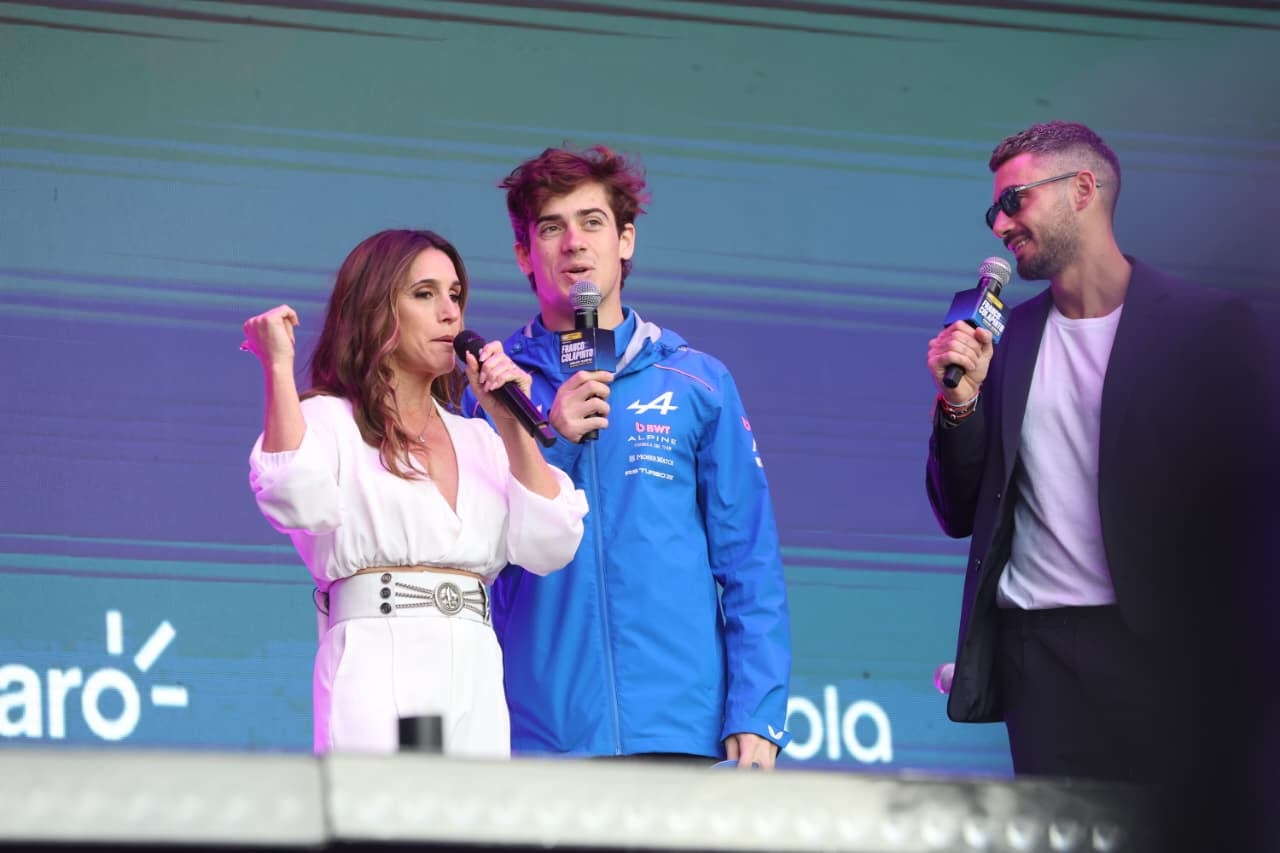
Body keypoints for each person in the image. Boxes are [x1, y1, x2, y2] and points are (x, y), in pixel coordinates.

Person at [925, 121, 1276, 843]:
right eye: (993, 209)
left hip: (1165, 650)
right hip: (1041, 656)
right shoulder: (1008, 340)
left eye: (1015, 200)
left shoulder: (1209, 327)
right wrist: (959, 402)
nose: (1000, 223)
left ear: (1083, 189)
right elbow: (960, 509)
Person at [461, 144, 792, 767]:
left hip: (677, 727)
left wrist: (756, 709)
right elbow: (474, 554)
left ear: (626, 241)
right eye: (550, 227)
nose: (573, 244)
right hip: (539, 731)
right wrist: (545, 436)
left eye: (592, 222)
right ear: (523, 255)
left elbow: (749, 560)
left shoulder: (697, 381)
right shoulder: (487, 389)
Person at [242, 228, 587, 758]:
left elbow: (551, 544)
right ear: (377, 310)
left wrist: (512, 423)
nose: (450, 312)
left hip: (474, 670)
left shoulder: (478, 437)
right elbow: (295, 497)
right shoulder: (329, 420)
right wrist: (277, 369)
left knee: (476, 832)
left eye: (455, 295)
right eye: (424, 294)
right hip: (379, 660)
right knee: (390, 827)